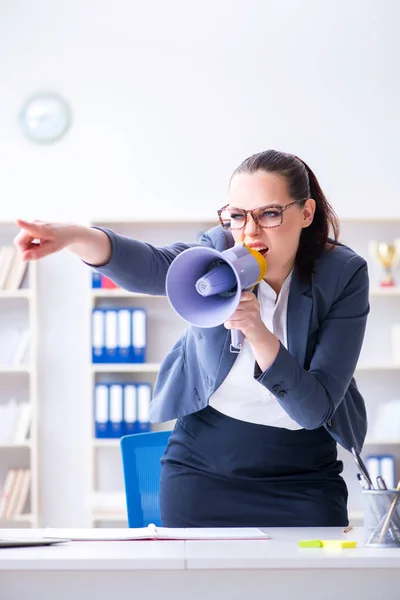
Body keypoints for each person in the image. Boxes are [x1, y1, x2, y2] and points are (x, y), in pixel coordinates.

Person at [14, 149, 369, 528]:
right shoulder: (217, 248)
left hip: (304, 479)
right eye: (237, 216)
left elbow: (314, 410)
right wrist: (74, 235)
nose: (249, 232)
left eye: (269, 214)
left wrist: (258, 332)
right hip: (202, 471)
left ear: (306, 213)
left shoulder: (342, 275)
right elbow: (153, 267)